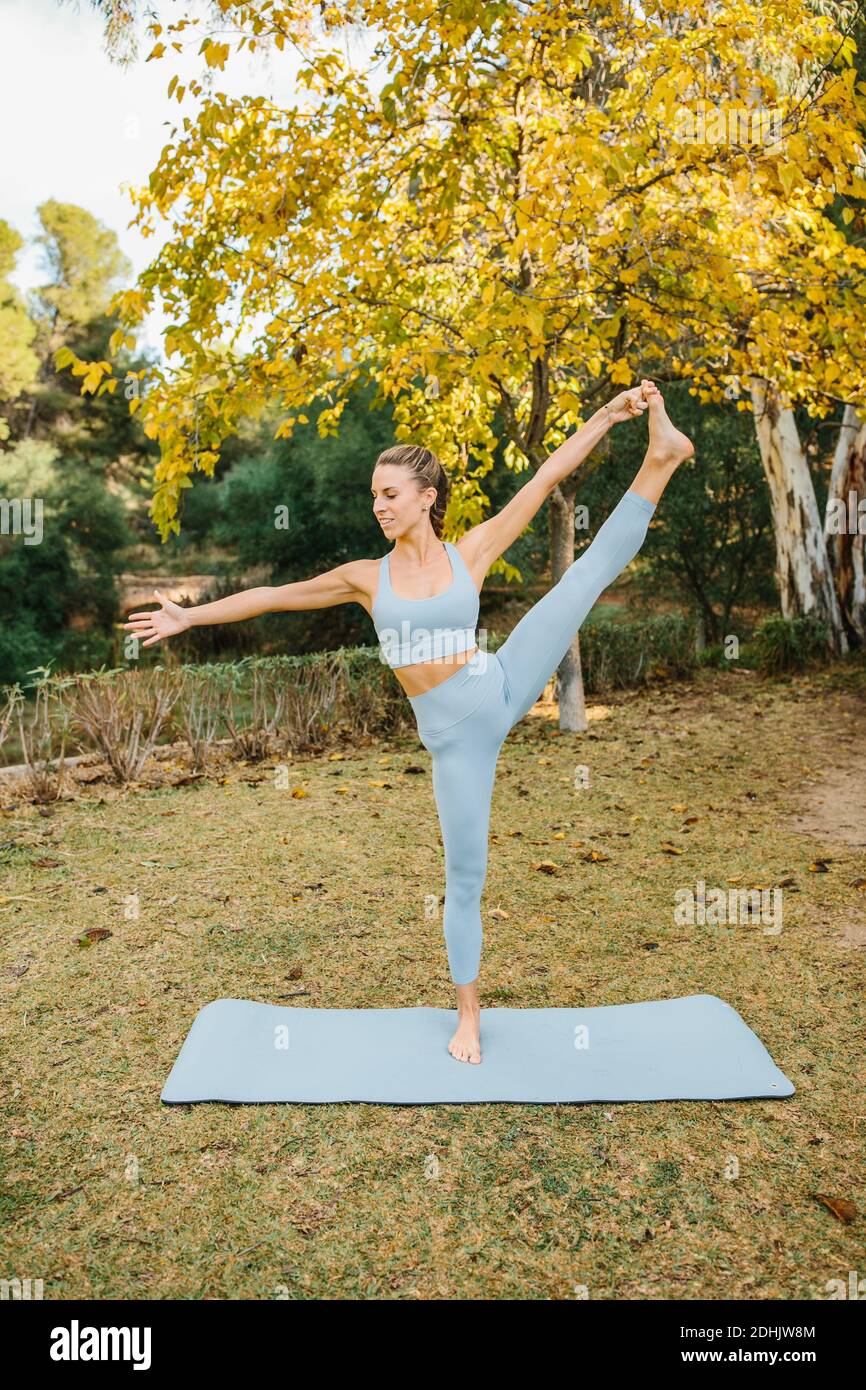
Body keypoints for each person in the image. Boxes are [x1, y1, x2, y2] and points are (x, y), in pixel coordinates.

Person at [123, 379, 694, 1064]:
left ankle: (661, 457)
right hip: (457, 746)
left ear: (427, 498)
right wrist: (189, 614)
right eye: (373, 495)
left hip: (502, 683)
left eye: (389, 494)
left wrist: (607, 414)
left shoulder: (471, 551)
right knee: (465, 878)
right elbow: (274, 597)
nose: (378, 506)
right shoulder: (366, 577)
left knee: (585, 577)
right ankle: (469, 1017)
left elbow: (546, 476)